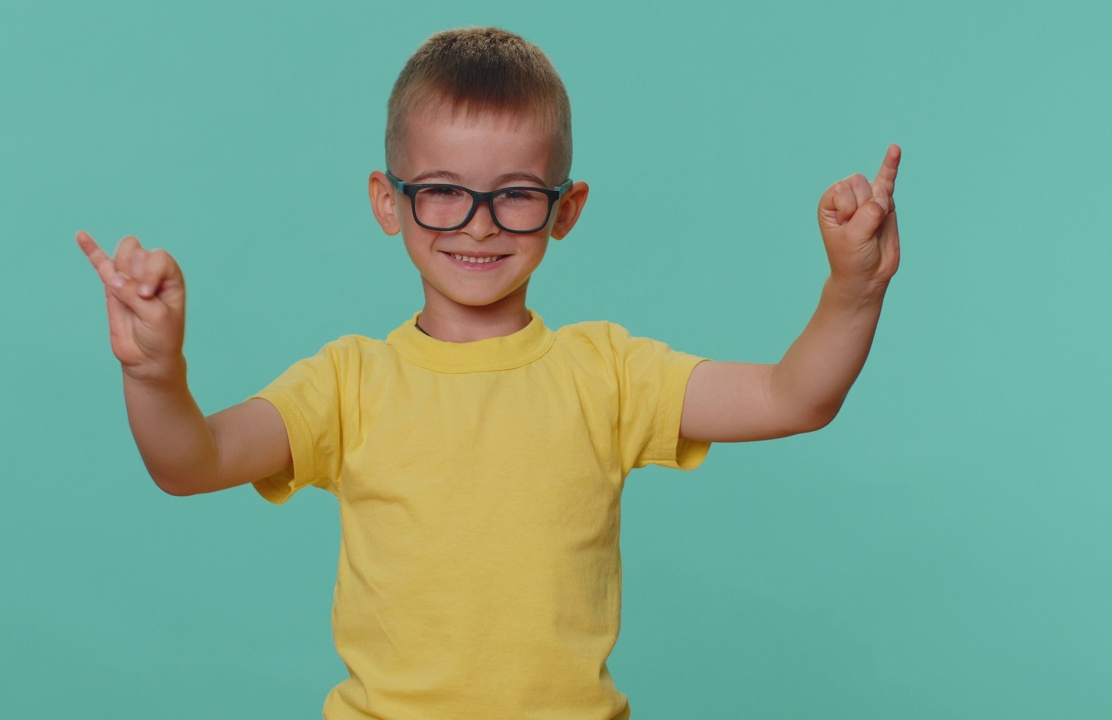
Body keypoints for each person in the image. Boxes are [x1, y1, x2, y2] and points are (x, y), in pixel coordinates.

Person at [76, 26, 900, 720]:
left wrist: (853, 289)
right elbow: (191, 464)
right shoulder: (349, 383)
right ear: (387, 200)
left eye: (514, 194)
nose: (478, 222)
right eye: (440, 190)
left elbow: (794, 398)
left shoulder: (607, 374)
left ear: (565, 209)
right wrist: (155, 372)